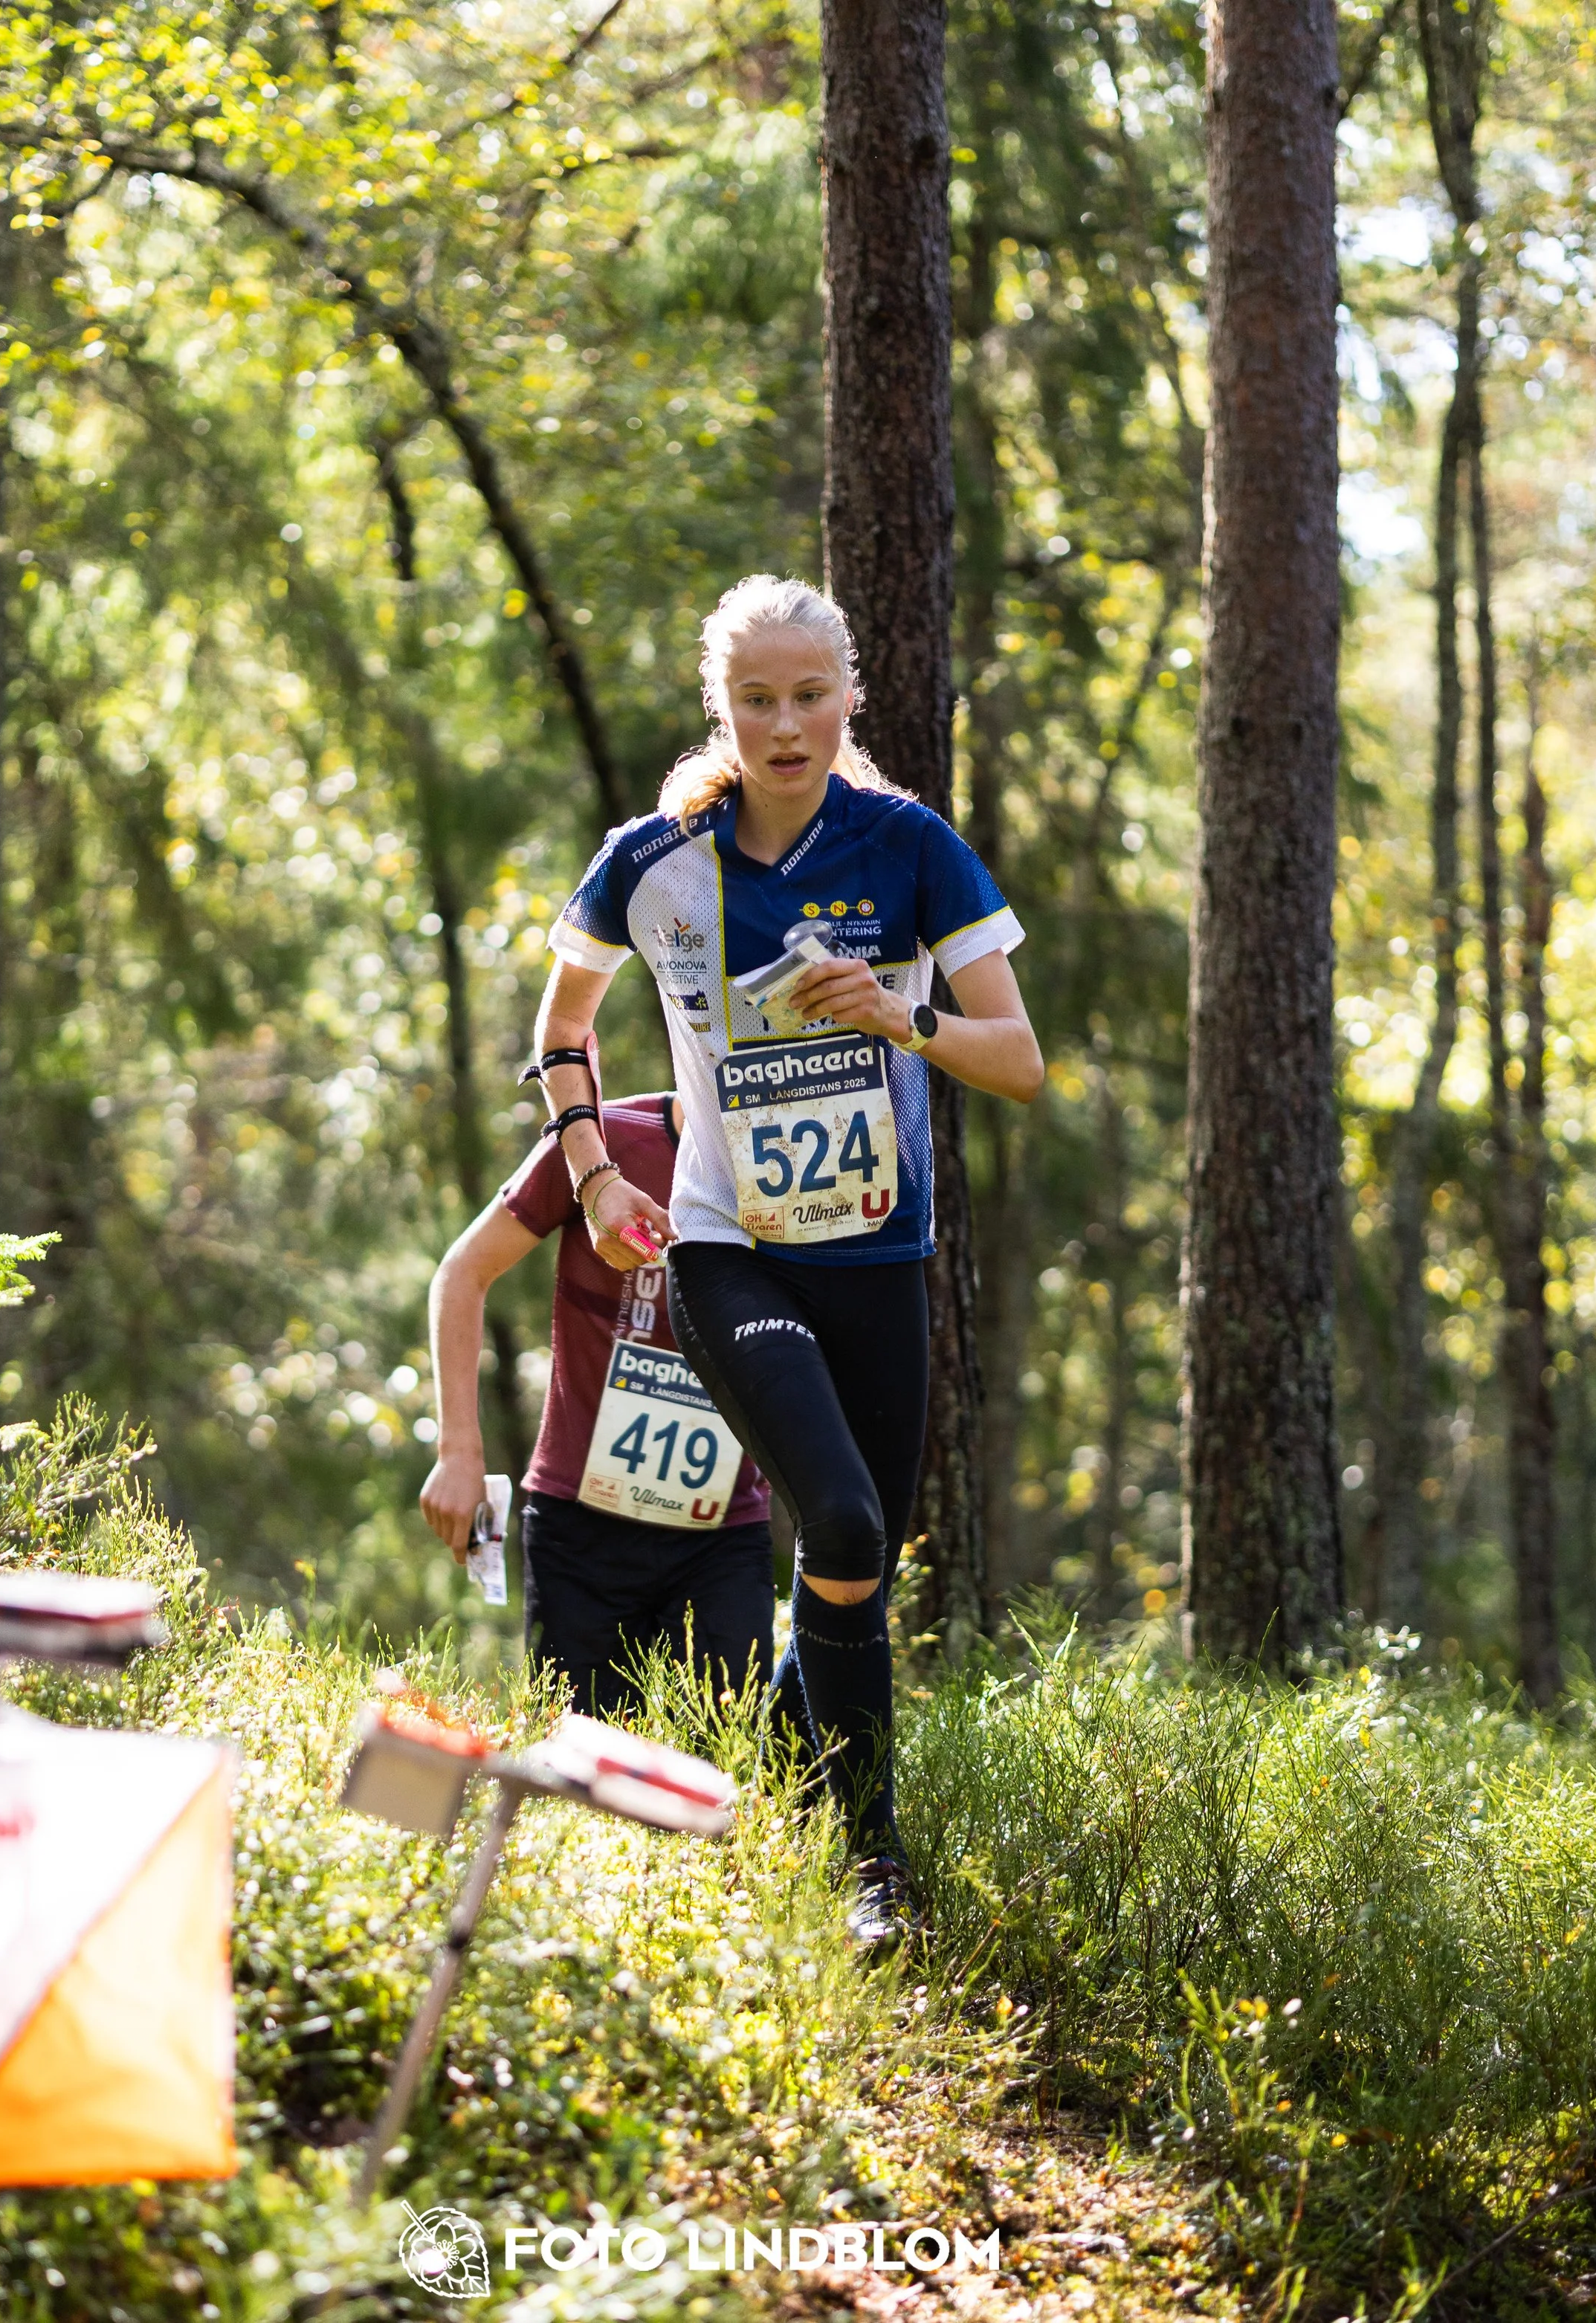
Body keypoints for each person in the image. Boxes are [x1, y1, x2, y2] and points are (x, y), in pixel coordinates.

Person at [528, 573, 1044, 1946]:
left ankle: (780, 1788)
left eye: (809, 694)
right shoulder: (652, 862)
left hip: (879, 1254)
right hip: (723, 1252)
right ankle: (870, 1866)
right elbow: (563, 1021)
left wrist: (896, 1012)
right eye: (756, 699)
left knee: (862, 1566)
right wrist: (588, 1171)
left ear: (849, 699)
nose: (785, 722)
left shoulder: (910, 848)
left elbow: (1023, 1062)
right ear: (724, 708)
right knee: (847, 1524)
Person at [419, 1088, 774, 1717]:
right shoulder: (599, 1142)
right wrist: (458, 1450)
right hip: (580, 1529)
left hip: (722, 1533)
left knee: (723, 1783)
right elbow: (462, 1272)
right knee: (571, 1772)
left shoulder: (802, 1163)